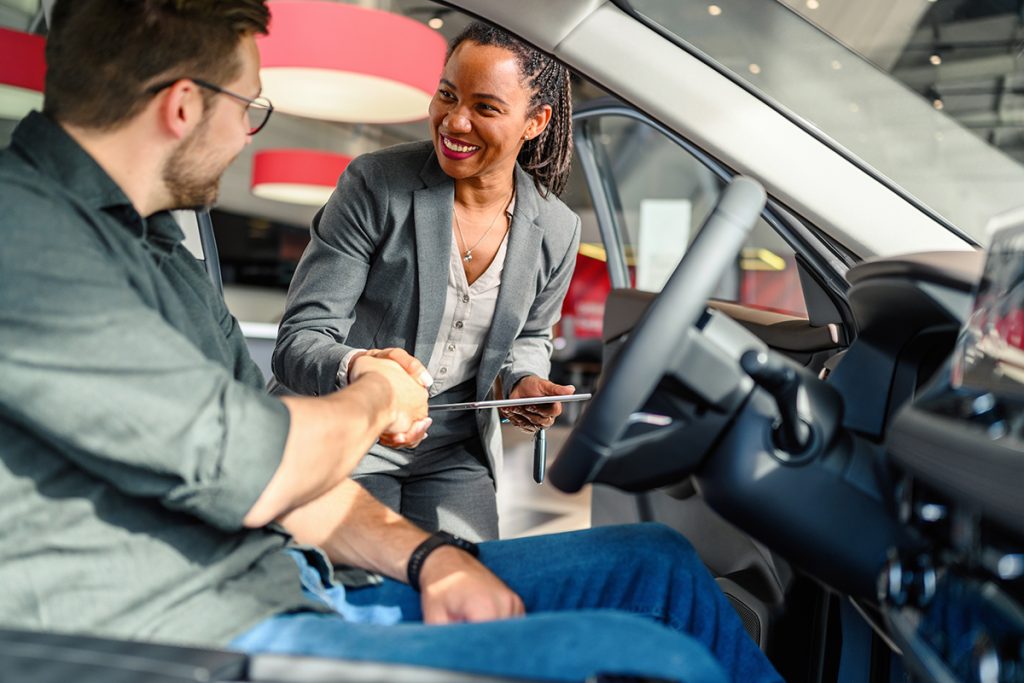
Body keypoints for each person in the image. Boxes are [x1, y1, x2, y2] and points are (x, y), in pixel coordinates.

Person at [0, 2, 783, 682]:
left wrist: (430, 557)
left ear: (535, 122)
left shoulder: (155, 248)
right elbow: (254, 456)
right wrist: (375, 390)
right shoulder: (27, 236)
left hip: (302, 558)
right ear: (181, 106)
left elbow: (275, 464)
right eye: (250, 107)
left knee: (659, 565)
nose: (248, 130)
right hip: (203, 628)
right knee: (665, 663)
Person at [270, 22, 580, 542]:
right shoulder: (375, 183)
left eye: (485, 107)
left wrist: (523, 383)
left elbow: (529, 336)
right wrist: (362, 368)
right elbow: (300, 341)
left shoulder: (557, 228)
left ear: (535, 121)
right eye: (447, 95)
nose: (454, 122)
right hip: (348, 430)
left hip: (453, 452)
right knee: (361, 590)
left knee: (470, 584)